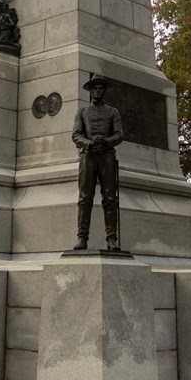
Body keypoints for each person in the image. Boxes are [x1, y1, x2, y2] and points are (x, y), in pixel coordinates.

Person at [71, 75, 125, 251]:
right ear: (91, 91)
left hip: (107, 156)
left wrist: (106, 141)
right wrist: (89, 143)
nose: (98, 91)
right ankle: (82, 237)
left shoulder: (113, 112)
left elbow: (119, 134)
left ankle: (111, 238)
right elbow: (76, 135)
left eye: (101, 88)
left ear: (104, 91)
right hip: (88, 156)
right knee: (85, 198)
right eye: (95, 88)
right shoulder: (82, 111)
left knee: (110, 198)